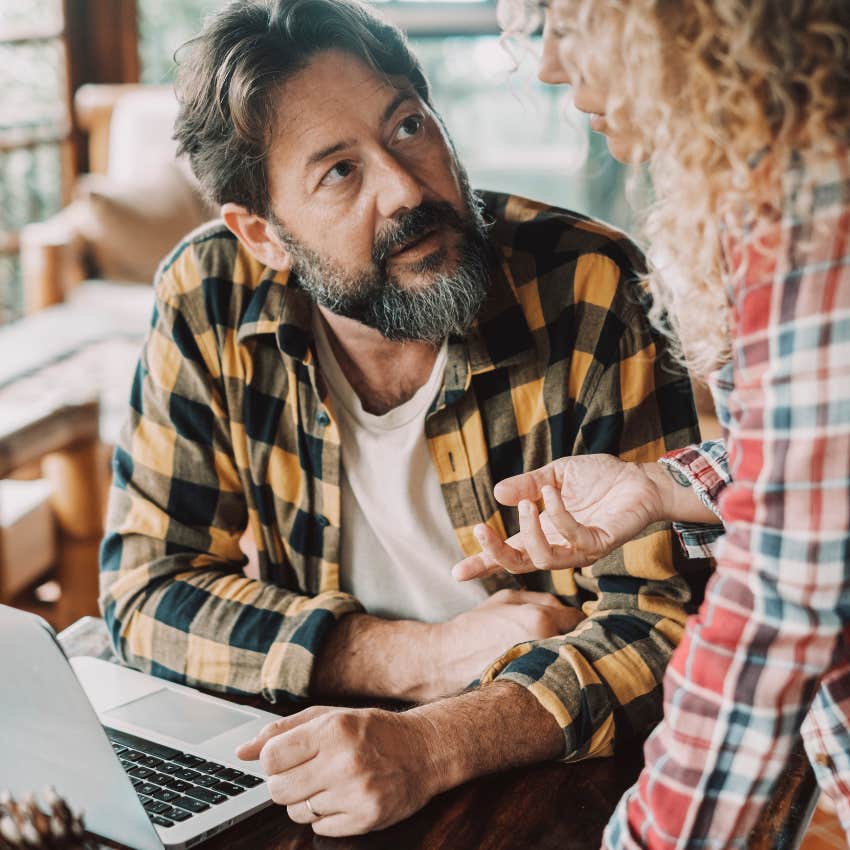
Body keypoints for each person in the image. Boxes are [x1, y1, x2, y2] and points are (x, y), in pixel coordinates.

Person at [99, 0, 710, 837]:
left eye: (409, 127)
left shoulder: (590, 283)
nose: (408, 189)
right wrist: (420, 656)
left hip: (544, 768)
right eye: (339, 172)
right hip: (324, 760)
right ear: (262, 234)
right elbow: (145, 592)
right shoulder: (208, 295)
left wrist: (434, 743)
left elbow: (660, 624)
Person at [459, 0, 850, 846]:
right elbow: (820, 471)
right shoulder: (776, 178)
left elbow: (777, 610)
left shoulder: (816, 213)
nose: (550, 65)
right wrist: (660, 487)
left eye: (568, 24)